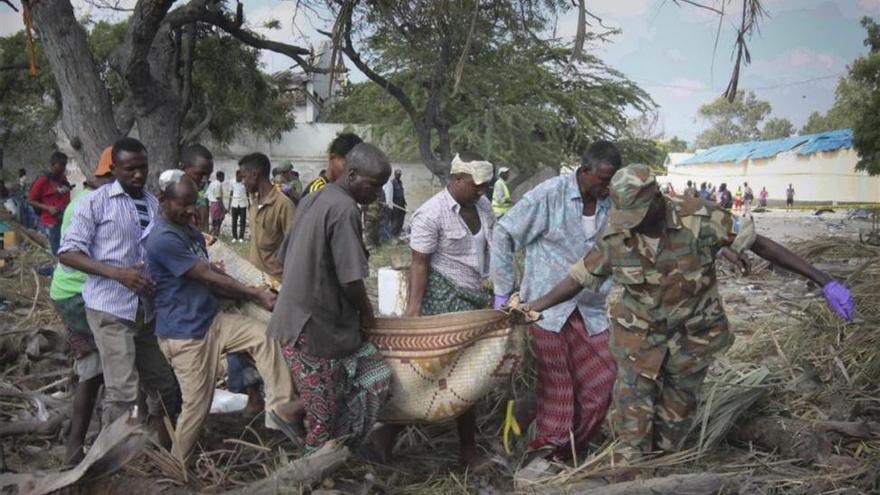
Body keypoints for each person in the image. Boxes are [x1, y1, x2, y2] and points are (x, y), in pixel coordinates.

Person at [526, 164, 854, 462]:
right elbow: (578, 278)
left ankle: (662, 473)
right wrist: (534, 307)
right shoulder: (618, 233)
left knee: (672, 433)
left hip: (691, 342)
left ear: (657, 197)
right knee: (632, 430)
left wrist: (824, 281)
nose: (634, 223)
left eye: (639, 212)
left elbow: (761, 245)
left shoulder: (700, 217)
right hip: (638, 340)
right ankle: (628, 473)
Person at [145, 170, 304, 462]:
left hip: (212, 320)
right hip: (186, 336)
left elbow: (210, 269)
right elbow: (203, 273)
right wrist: (254, 294)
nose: (191, 210)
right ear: (162, 200)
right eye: (184, 204)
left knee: (265, 337)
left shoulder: (188, 230)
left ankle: (279, 411)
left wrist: (243, 286)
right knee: (197, 406)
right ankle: (175, 464)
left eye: (194, 202)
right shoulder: (161, 239)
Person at [491, 141, 621, 463]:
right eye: (603, 179)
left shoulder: (611, 205)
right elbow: (503, 232)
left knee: (603, 381)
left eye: (612, 180)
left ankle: (572, 447)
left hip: (590, 310)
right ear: (584, 170)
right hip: (544, 311)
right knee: (558, 387)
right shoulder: (550, 194)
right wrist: (503, 292)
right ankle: (547, 453)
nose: (607, 186)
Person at [372, 152, 496, 468]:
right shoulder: (430, 214)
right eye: (476, 185)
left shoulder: (482, 206)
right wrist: (413, 316)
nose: (481, 191)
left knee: (463, 376)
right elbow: (419, 265)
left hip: (473, 301)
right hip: (441, 304)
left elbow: (490, 251)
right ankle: (462, 449)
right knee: (442, 376)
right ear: (456, 179)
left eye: (485, 185)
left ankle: (387, 439)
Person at [268, 143, 393, 455]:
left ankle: (301, 416)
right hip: (312, 330)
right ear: (351, 175)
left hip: (313, 321)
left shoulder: (312, 198)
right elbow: (351, 278)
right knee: (324, 420)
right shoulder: (344, 208)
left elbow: (285, 256)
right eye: (374, 185)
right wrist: (367, 314)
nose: (377, 193)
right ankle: (314, 474)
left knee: (376, 375)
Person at [58, 137, 181, 446]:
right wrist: (117, 274)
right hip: (110, 308)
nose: (138, 175)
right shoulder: (94, 202)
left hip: (145, 310)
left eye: (143, 168)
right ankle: (112, 461)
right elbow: (68, 253)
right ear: (113, 170)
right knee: (123, 391)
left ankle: (162, 446)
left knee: (164, 386)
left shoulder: (153, 204)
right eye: (130, 169)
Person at [50, 146, 115, 465]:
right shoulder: (90, 204)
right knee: (98, 367)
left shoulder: (88, 199)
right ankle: (79, 447)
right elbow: (80, 255)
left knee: (99, 369)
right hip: (79, 294)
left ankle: (82, 440)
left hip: (80, 292)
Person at [240, 153, 295, 280]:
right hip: (255, 280)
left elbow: (295, 248)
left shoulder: (284, 205)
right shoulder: (254, 203)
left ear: (254, 174)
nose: (243, 182)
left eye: (244, 177)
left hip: (276, 283)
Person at [28, 151, 72, 255]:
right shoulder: (42, 180)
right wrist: (48, 208)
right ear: (52, 165)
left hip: (63, 219)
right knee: (55, 250)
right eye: (60, 165)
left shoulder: (63, 179)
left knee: (64, 248)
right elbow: (30, 200)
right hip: (50, 221)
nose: (62, 168)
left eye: (64, 165)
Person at [304, 133, 364, 199]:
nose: (350, 173)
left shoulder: (345, 191)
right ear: (332, 158)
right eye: (346, 166)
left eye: (356, 169)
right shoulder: (318, 190)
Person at [180, 144, 214, 232]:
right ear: (183, 168)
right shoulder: (168, 205)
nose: (205, 180)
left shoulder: (197, 199)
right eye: (200, 174)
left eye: (208, 175)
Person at [229, 170, 249, 243]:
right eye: (240, 176)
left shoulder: (244, 183)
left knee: (242, 221)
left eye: (242, 176)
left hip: (243, 205)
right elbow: (231, 193)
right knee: (234, 221)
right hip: (234, 204)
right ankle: (234, 237)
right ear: (236, 175)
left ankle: (241, 237)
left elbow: (247, 193)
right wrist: (229, 205)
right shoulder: (232, 182)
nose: (241, 178)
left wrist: (249, 203)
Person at [206, 171, 227, 238]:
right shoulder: (218, 184)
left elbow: (206, 195)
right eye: (223, 177)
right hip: (217, 205)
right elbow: (218, 198)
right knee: (218, 224)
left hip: (212, 205)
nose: (224, 178)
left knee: (214, 224)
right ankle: (215, 237)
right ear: (221, 177)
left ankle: (208, 236)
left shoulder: (212, 183)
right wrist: (223, 208)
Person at [390, 169, 407, 237]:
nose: (398, 175)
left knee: (401, 220)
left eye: (399, 174)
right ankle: (393, 235)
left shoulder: (400, 182)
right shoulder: (392, 183)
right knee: (395, 220)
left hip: (402, 204)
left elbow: (401, 193)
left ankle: (398, 234)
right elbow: (390, 194)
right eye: (397, 174)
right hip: (395, 204)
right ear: (394, 174)